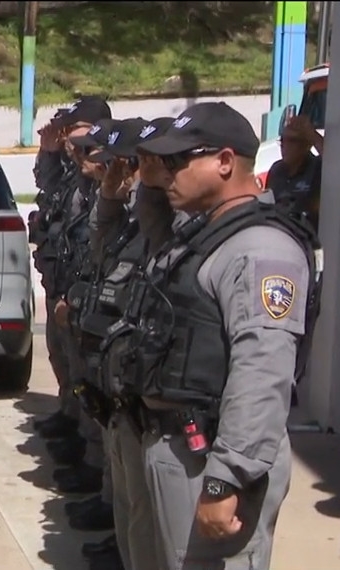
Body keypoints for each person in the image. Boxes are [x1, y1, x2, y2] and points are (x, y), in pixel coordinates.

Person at [130, 101, 320, 570]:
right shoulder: (205, 234)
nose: (167, 172)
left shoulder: (261, 250)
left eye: (178, 161)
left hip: (216, 459)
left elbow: (262, 374)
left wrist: (225, 480)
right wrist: (152, 176)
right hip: (182, 447)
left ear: (224, 161)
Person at [74, 116, 178, 570]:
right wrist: (110, 201)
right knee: (133, 508)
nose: (114, 171)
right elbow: (100, 254)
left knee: (149, 518)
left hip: (148, 390)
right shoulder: (127, 211)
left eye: (126, 164)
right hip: (119, 378)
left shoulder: (165, 219)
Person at [31, 95, 112, 454]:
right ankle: (72, 421)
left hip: (86, 293)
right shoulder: (72, 172)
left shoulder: (104, 179)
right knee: (63, 358)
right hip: (62, 278)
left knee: (87, 373)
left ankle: (88, 447)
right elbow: (47, 187)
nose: (70, 143)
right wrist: (48, 152)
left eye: (76, 136)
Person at [265, 114, 323, 228]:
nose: (284, 146)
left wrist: (312, 134)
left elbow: (335, 161)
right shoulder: (276, 170)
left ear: (306, 145)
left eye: (292, 141)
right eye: (282, 140)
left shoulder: (318, 168)